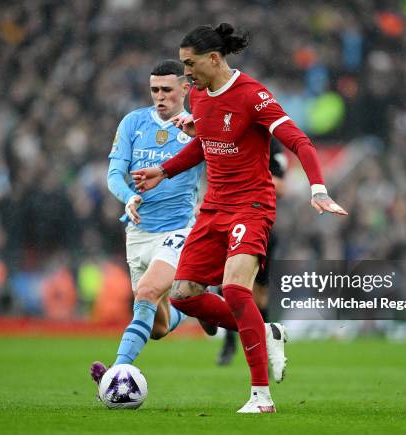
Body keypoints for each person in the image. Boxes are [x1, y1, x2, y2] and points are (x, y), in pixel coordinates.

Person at [132, 24, 348, 413]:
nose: (186, 74)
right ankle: (266, 332)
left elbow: (299, 141)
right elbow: (205, 143)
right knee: (184, 296)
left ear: (214, 59)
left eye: (190, 64)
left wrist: (318, 188)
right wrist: (164, 171)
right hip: (214, 207)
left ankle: (261, 397)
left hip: (252, 205)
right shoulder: (198, 96)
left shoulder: (253, 96)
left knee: (234, 290)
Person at [90, 59, 207, 387]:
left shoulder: (198, 125)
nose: (160, 96)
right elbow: (114, 173)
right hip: (138, 232)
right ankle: (198, 308)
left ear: (185, 88)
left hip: (179, 229)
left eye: (167, 89)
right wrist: (127, 196)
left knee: (146, 293)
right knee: (156, 327)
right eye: (155, 89)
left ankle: (114, 373)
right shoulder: (133, 122)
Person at [217, 139, 287, 366]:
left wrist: (248, 181)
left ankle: (266, 345)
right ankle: (229, 342)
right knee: (228, 285)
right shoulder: (230, 137)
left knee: (259, 294)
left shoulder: (272, 146)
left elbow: (282, 187)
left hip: (260, 225)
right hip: (228, 221)